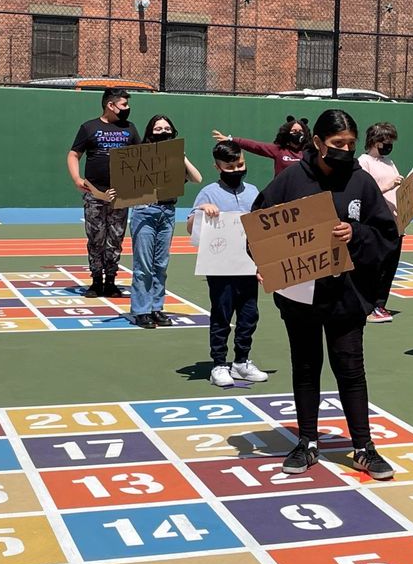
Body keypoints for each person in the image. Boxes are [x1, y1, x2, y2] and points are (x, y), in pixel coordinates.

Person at [252, 109, 398, 480]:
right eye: (337, 144)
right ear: (317, 143)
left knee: (350, 368)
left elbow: (386, 236)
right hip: (299, 293)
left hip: (346, 296)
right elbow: (259, 226)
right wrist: (264, 259)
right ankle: (306, 441)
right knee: (305, 365)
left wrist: (357, 233)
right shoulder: (290, 180)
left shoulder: (361, 182)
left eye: (350, 144)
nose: (345, 150)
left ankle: (363, 447)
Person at [187, 140, 266, 386]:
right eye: (229, 167)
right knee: (222, 313)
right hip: (220, 267)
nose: (236, 170)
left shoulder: (253, 192)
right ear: (218, 167)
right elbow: (192, 228)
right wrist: (202, 210)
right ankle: (219, 364)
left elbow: (263, 229)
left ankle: (242, 361)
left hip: (248, 266)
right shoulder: (209, 192)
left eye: (240, 164)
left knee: (249, 314)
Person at [128, 115, 202, 329]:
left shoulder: (175, 159)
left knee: (161, 265)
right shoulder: (141, 155)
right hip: (145, 211)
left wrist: (182, 156)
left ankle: (156, 308)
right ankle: (141, 311)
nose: (162, 131)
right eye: (158, 128)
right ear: (150, 132)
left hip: (168, 212)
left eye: (166, 128)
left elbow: (197, 178)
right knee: (143, 266)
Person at [67, 88, 140, 299]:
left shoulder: (130, 128)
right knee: (96, 237)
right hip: (95, 193)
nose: (127, 109)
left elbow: (142, 157)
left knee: (115, 238)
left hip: (121, 195)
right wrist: (77, 179)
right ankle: (96, 281)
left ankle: (111, 281)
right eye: (124, 104)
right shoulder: (89, 127)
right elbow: (73, 155)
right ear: (111, 105)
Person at [357, 122, 413, 323]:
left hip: (394, 221)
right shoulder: (363, 162)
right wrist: (388, 185)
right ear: (374, 141)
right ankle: (368, 305)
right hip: (376, 222)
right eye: (385, 141)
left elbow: (398, 191)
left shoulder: (389, 162)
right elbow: (366, 192)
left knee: (389, 267)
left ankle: (380, 304)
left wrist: (411, 183)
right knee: (375, 266)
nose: (388, 145)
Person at [212, 116, 310, 177]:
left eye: (300, 131)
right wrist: (231, 139)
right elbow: (255, 146)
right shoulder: (279, 150)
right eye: (293, 131)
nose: (297, 134)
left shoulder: (309, 152)